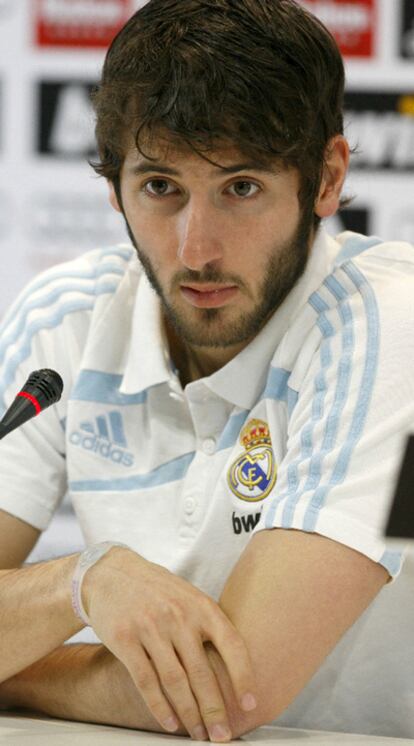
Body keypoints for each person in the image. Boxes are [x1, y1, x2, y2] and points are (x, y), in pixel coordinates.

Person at [0, 0, 413, 741]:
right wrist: (82, 579)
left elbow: (232, 689)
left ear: (326, 179)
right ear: (113, 188)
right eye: (161, 187)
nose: (196, 250)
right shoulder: (66, 317)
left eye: (241, 188)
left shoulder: (391, 319)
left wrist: (11, 664)